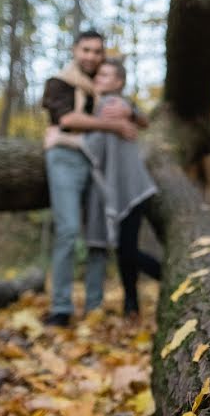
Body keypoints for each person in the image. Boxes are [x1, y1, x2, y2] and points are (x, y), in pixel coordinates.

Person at [41, 30, 137, 327]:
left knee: (98, 236)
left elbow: (136, 117)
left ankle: (94, 306)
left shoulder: (103, 90)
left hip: (99, 164)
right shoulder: (59, 83)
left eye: (97, 51)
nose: (91, 56)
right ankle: (61, 308)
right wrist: (114, 126)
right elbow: (67, 119)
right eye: (86, 50)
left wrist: (128, 116)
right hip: (67, 161)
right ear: (75, 50)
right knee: (69, 230)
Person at [82, 58, 162, 317]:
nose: (99, 78)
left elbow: (137, 117)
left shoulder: (114, 103)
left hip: (131, 186)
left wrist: (130, 112)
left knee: (126, 249)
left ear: (118, 82)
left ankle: (165, 276)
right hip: (118, 187)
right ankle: (131, 305)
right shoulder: (100, 104)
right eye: (99, 74)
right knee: (123, 250)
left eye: (106, 75)